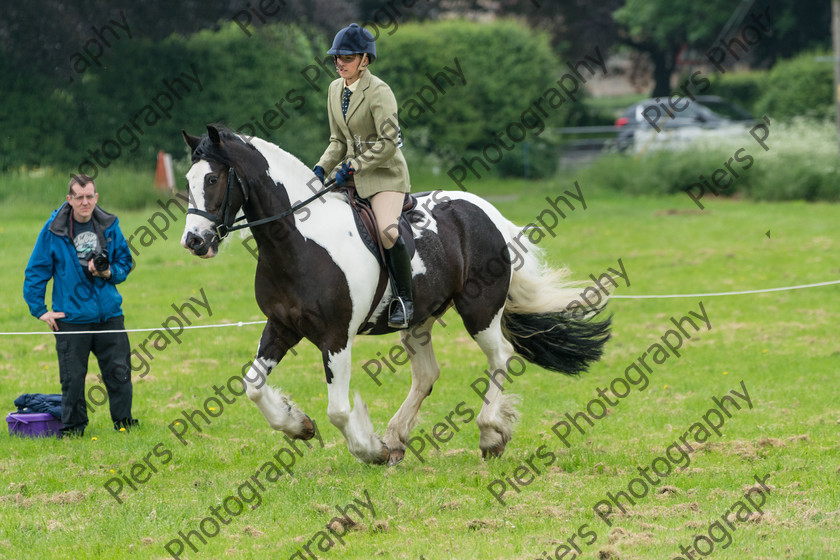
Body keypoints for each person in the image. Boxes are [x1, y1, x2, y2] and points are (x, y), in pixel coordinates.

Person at [313, 23, 414, 329]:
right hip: (349, 175)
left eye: (346, 57)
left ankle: (404, 301)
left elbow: (387, 143)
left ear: (365, 60)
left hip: (385, 177)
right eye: (336, 57)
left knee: (387, 232)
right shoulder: (334, 89)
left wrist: (355, 166)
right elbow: (338, 141)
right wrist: (319, 169)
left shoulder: (380, 91)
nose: (339, 62)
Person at [23, 174, 137, 437]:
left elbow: (125, 262)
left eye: (90, 196)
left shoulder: (109, 224)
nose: (85, 202)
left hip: (109, 313)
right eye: (79, 197)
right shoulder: (54, 230)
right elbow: (36, 271)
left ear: (96, 198)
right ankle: (74, 428)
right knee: (73, 379)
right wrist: (40, 310)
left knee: (119, 373)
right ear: (70, 199)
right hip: (71, 316)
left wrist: (107, 274)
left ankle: (124, 423)